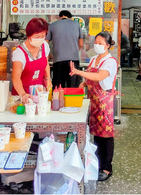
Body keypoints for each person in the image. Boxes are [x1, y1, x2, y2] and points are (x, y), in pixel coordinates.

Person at [71, 32, 118, 182]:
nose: (97, 45)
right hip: (94, 101)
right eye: (96, 42)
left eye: (100, 43)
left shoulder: (110, 61)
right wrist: (84, 83)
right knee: (96, 134)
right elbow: (91, 77)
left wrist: (78, 72)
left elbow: (99, 77)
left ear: (108, 45)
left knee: (106, 135)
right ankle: (98, 163)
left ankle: (107, 167)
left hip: (105, 102)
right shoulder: (93, 59)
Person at [11, 17, 52, 104]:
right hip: (22, 96)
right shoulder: (19, 53)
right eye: (37, 36)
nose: (40, 39)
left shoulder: (45, 46)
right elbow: (16, 76)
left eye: (43, 36)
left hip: (39, 94)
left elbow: (46, 64)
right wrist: (23, 94)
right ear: (29, 35)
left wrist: (48, 78)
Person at [46, 10, 83, 90]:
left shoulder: (52, 25)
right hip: (73, 61)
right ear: (70, 17)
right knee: (73, 88)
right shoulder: (76, 24)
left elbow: (45, 43)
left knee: (58, 88)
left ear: (60, 17)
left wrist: (49, 55)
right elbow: (81, 44)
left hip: (58, 61)